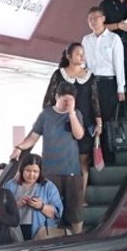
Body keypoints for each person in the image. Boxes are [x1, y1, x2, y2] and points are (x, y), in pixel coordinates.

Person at [17, 83, 86, 233]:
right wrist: (19, 147)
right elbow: (33, 137)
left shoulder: (76, 114)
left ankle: (77, 237)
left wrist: (71, 114)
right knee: (50, 208)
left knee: (75, 208)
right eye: (64, 100)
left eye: (71, 100)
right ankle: (53, 238)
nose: (67, 103)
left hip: (71, 170)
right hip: (50, 171)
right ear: (56, 97)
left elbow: (79, 135)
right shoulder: (45, 115)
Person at [45, 44, 101, 196]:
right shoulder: (59, 74)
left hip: (85, 125)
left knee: (83, 162)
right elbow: (49, 99)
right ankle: (63, 196)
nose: (82, 56)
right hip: (62, 125)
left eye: (83, 53)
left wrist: (99, 123)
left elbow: (95, 101)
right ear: (69, 56)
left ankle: (80, 197)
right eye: (78, 54)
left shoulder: (90, 76)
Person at [82, 7, 125, 163]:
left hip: (108, 82)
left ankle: (109, 156)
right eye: (90, 19)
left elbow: (119, 64)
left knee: (107, 119)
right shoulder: (86, 40)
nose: (93, 21)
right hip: (91, 81)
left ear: (103, 19)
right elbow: (84, 63)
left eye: (96, 18)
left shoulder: (113, 38)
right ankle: (93, 156)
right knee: (92, 118)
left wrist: (121, 88)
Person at [7, 155, 64, 239]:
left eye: (35, 171)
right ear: (22, 170)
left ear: (40, 172)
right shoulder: (10, 185)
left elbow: (57, 214)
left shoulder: (49, 187)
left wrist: (41, 206)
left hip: (40, 231)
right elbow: (1, 211)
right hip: (15, 229)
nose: (31, 175)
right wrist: (16, 204)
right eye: (28, 170)